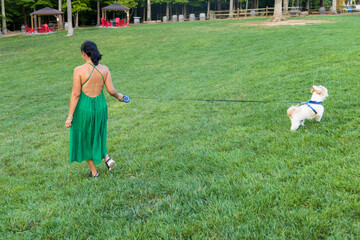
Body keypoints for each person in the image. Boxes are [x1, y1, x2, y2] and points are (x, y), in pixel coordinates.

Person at [65, 40, 128, 178]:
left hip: (84, 108)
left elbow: (76, 94)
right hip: (100, 107)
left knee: (85, 137)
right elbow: (111, 90)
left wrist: (70, 117)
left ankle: (94, 172)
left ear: (83, 53)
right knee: (98, 133)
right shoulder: (104, 69)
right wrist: (120, 96)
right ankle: (107, 158)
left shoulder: (79, 70)